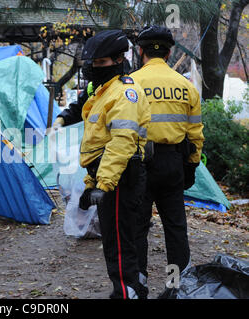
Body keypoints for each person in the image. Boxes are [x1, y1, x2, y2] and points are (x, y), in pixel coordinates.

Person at [131, 25, 205, 297]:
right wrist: (192, 165)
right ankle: (177, 287)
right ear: (170, 52)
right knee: (175, 229)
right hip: (173, 163)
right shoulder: (186, 86)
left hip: (138, 164)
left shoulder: (132, 84)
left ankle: (138, 287)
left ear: (141, 51)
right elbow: (196, 133)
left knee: (137, 228)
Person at [78, 29, 151, 299]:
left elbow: (121, 143)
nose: (96, 68)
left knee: (119, 241)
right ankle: (132, 287)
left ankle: (127, 291)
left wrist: (105, 185)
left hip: (121, 176)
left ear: (119, 60)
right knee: (117, 238)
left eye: (102, 63)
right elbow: (96, 144)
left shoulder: (125, 94)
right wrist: (91, 183)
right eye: (94, 63)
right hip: (110, 175)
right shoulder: (104, 93)